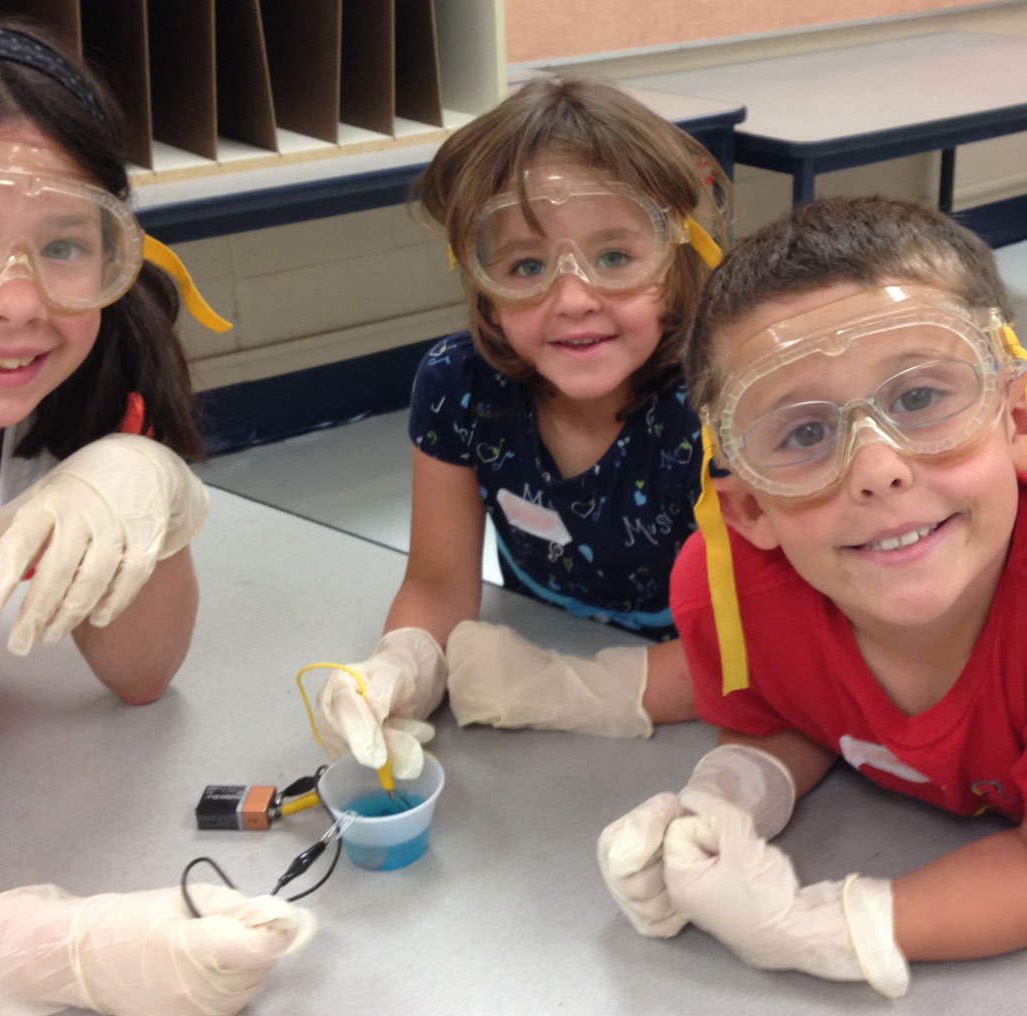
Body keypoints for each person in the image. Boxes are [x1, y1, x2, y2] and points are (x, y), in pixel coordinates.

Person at [0, 8, 313, 1015]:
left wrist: (149, 483)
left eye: (63, 243)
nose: (17, 301)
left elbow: (141, 671)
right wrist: (58, 945)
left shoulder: (62, 410)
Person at [596, 195, 1027, 998]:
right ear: (749, 509)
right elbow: (791, 714)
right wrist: (725, 804)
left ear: (1017, 418)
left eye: (921, 398)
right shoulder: (729, 594)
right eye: (803, 433)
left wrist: (829, 926)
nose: (878, 470)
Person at [309, 77, 730, 781]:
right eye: (527, 266)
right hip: (536, 695)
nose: (573, 298)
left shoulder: (719, 408)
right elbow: (438, 585)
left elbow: (749, 654)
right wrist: (401, 667)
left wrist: (564, 690)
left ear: (676, 253)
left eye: (615, 257)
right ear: (484, 283)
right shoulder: (459, 387)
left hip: (687, 723)